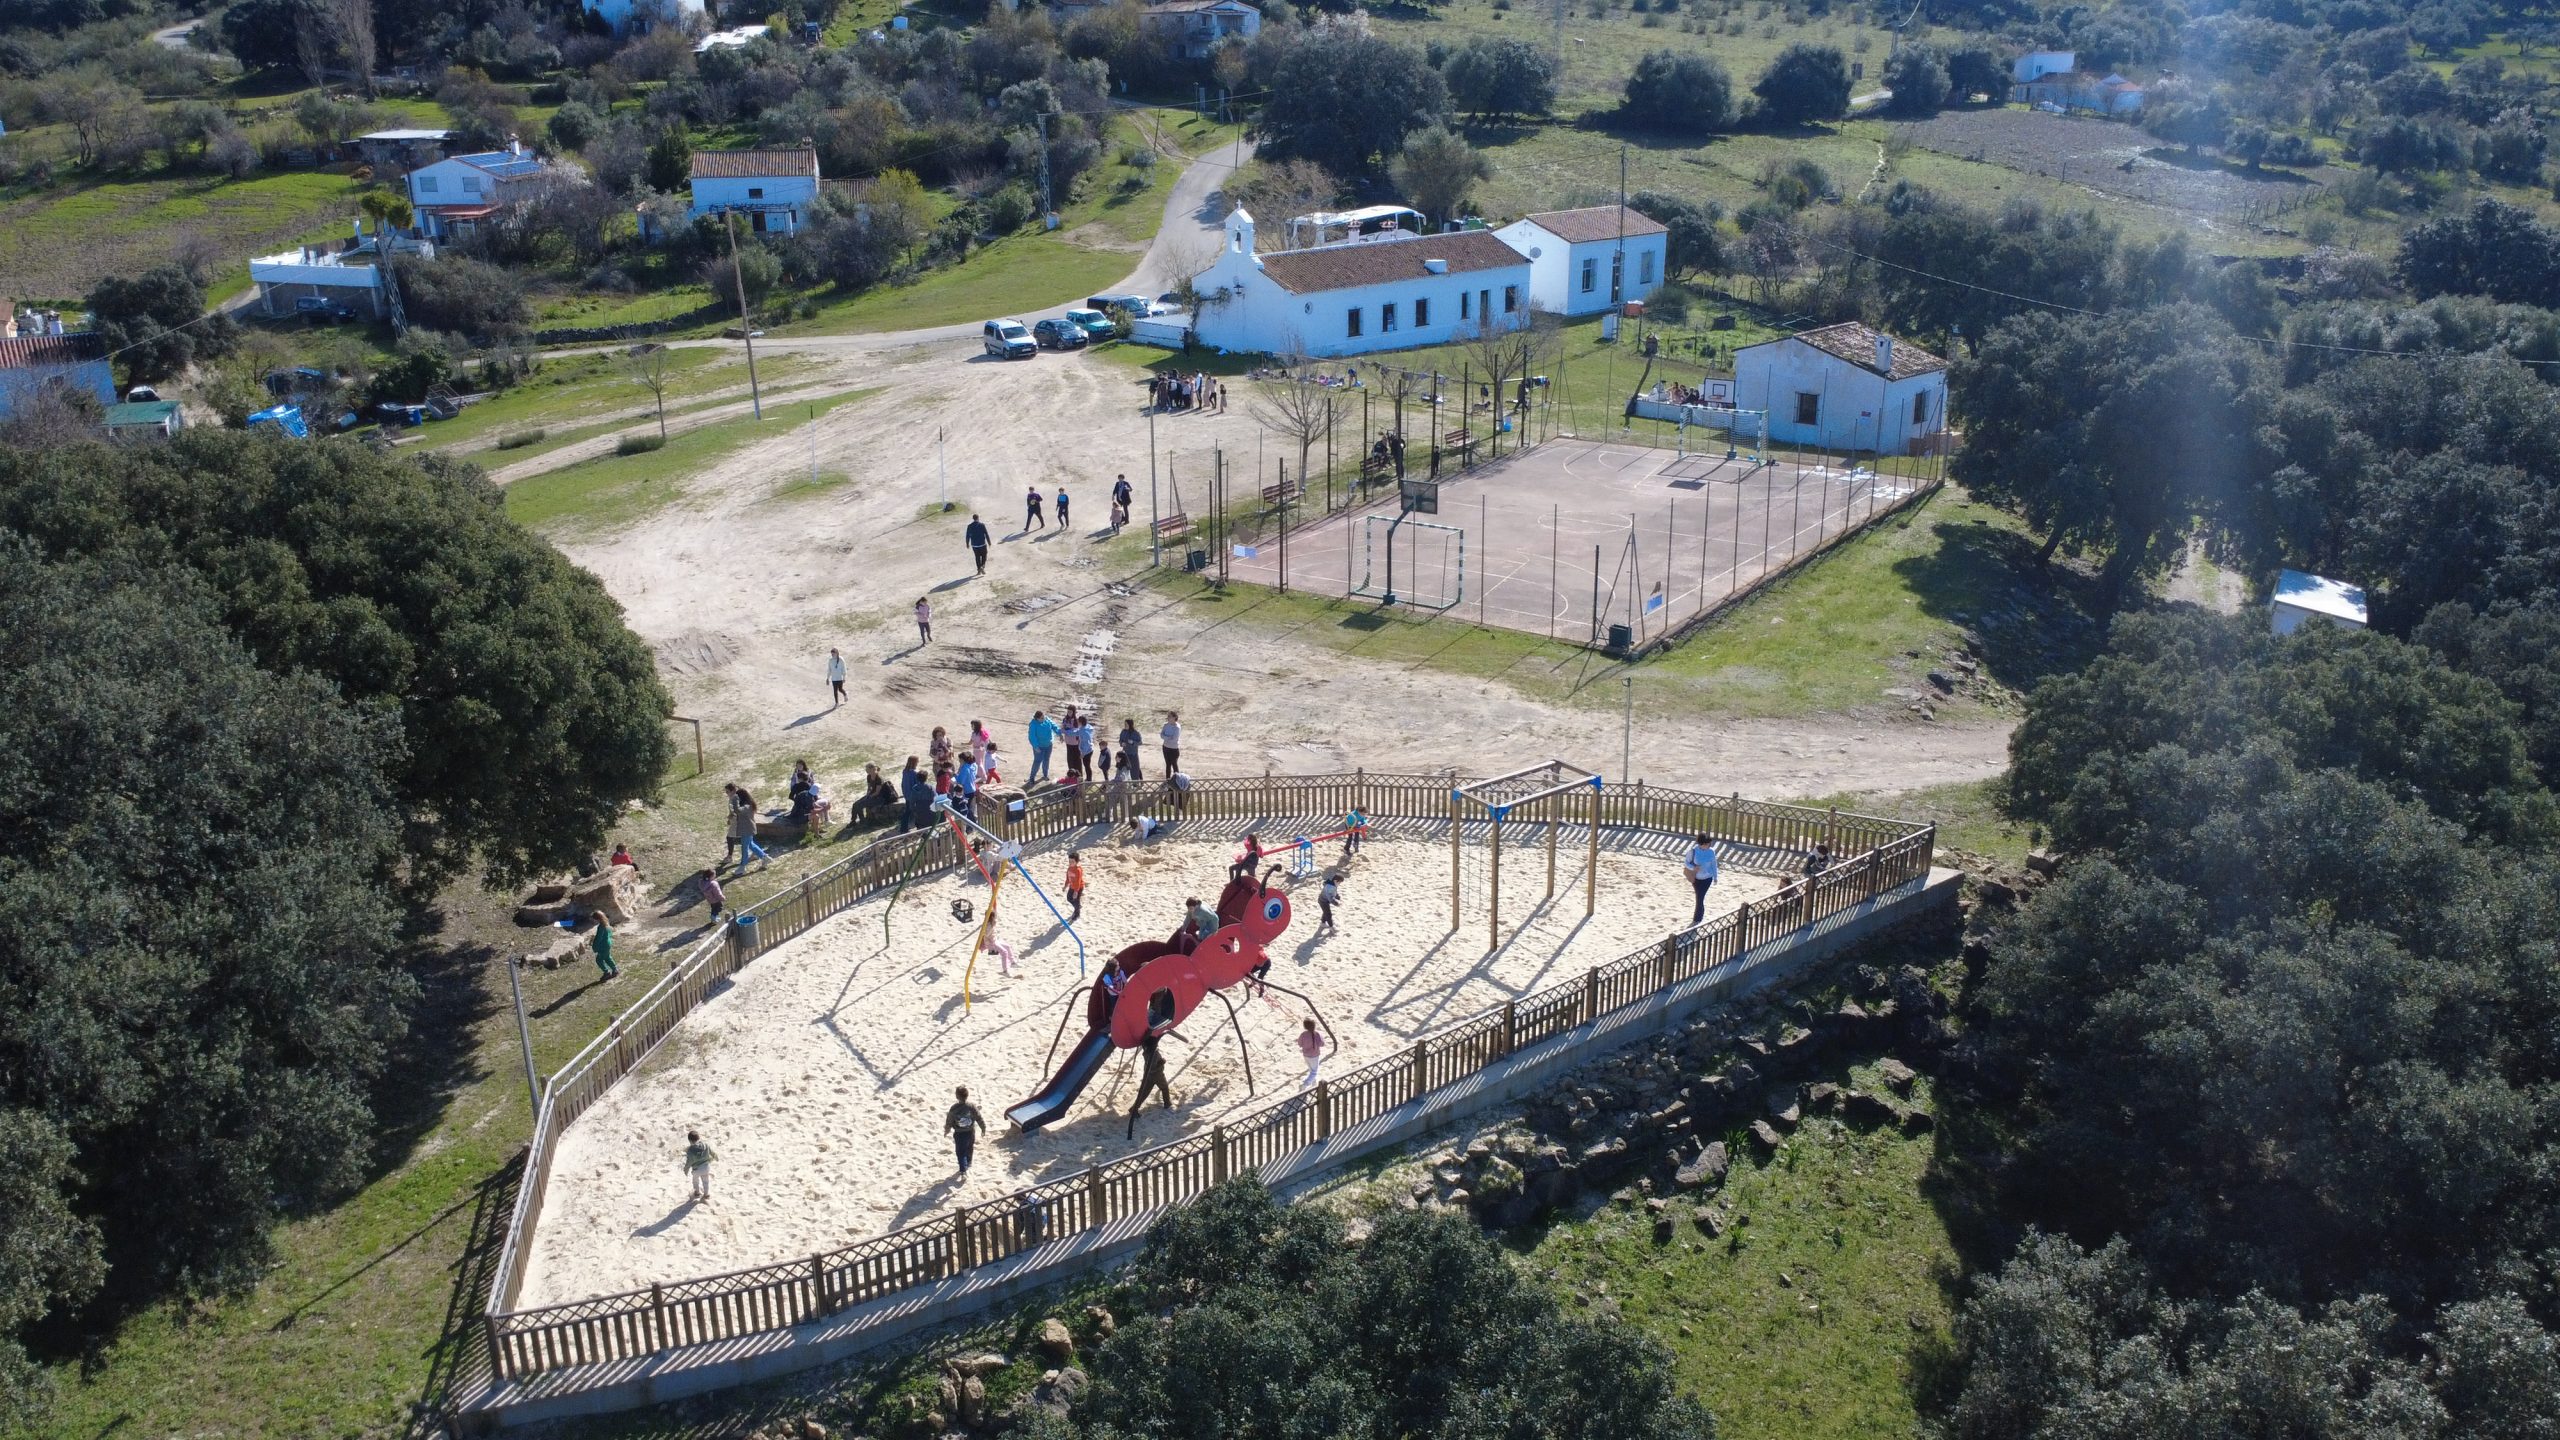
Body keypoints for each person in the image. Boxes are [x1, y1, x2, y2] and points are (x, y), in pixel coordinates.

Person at [1126, 1035, 1171, 1138]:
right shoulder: (1154, 1055)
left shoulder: (1147, 1052)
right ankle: (1167, 1103)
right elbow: (1154, 1067)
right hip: (1157, 1075)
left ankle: (1134, 1108)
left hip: (1148, 1076)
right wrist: (1161, 1063)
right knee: (1164, 1088)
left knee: (1144, 1093)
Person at [730, 784, 773, 871]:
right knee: (751, 845)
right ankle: (765, 858)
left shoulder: (747, 806)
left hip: (747, 830)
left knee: (744, 848)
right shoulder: (748, 805)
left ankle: (742, 867)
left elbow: (737, 811)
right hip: (748, 829)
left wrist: (734, 801)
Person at [946, 1086, 986, 1175]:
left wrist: (947, 1129)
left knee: (960, 1151)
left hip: (959, 1133)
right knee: (969, 1147)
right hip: (971, 1132)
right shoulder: (971, 1106)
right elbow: (979, 1117)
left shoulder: (954, 1108)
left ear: (956, 1096)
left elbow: (949, 1120)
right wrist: (983, 1128)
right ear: (967, 1095)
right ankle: (969, 1162)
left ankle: (963, 1169)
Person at [1685, 832, 1720, 925]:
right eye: (1707, 844)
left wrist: (1716, 877)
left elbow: (1714, 864)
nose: (1709, 845)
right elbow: (1686, 862)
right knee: (1699, 897)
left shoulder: (1711, 851)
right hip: (1696, 878)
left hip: (1708, 878)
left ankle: (1697, 918)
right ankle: (1699, 916)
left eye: (1710, 844)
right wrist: (1693, 868)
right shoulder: (1693, 851)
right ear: (1701, 844)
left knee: (1700, 897)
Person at [898, 755, 933, 833]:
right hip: (913, 795)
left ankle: (905, 827)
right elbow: (918, 784)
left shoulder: (905, 771)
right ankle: (903, 829)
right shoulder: (914, 773)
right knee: (909, 812)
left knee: (908, 811)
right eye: (917, 761)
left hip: (906, 794)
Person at [683, 1129, 716, 1201]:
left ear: (690, 1141)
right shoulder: (706, 1145)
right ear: (699, 1138)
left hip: (696, 1170)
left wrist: (686, 1169)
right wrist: (715, 1157)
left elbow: (689, 1162)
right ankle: (706, 1194)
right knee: (706, 1181)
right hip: (706, 1167)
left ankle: (697, 1192)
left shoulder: (690, 1151)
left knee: (695, 1181)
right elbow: (712, 1152)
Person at [1027, 709, 1058, 785]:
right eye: (1041, 718)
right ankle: (1032, 778)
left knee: (1046, 760)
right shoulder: (1033, 724)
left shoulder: (1046, 719)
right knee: (1037, 762)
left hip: (1048, 745)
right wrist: (1035, 746)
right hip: (1039, 747)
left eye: (1043, 717)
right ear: (1037, 718)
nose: (1043, 719)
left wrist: (1059, 732)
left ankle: (1045, 775)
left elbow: (1054, 726)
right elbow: (1032, 736)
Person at [1297, 1018, 1326, 1089]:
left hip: (1306, 1055)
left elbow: (1300, 1043)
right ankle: (1305, 1084)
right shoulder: (1317, 1034)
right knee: (1314, 1072)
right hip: (1315, 1055)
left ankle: (1314, 1082)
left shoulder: (1303, 1034)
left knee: (1311, 1069)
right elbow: (1322, 1044)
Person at [1060, 706, 1085, 781]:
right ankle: (1071, 775)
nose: (1069, 713)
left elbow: (1078, 731)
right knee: (1070, 760)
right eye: (1068, 711)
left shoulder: (1077, 720)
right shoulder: (1065, 719)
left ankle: (1079, 776)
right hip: (1068, 743)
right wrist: (1062, 732)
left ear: (1074, 712)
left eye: (1070, 711)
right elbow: (1062, 728)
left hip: (1076, 744)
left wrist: (1068, 731)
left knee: (1077, 760)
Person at [590, 915, 619, 980]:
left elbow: (598, 938)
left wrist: (594, 947)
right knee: (607, 957)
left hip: (603, 946)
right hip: (607, 944)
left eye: (593, 919)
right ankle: (615, 970)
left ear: (597, 919)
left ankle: (607, 973)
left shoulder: (600, 927)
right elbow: (610, 933)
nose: (592, 921)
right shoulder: (606, 924)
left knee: (599, 960)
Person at [1065, 850, 1086, 921]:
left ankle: (1077, 914)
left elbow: (1078, 881)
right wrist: (1065, 886)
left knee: (1076, 900)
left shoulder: (1078, 870)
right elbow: (1067, 878)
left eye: (1072, 862)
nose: (1070, 863)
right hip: (1072, 886)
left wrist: (1076, 891)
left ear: (1076, 862)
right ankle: (1077, 907)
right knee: (1069, 898)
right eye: (1069, 861)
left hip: (1079, 887)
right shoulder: (1069, 868)